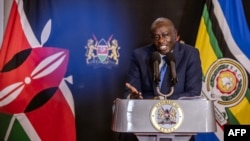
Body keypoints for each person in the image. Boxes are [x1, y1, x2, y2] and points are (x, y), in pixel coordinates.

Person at [119, 17, 202, 141]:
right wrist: (134, 98)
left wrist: (159, 101)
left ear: (175, 34)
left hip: (177, 122)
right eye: (156, 37)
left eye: (165, 35)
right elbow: (130, 92)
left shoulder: (190, 54)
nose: (161, 40)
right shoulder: (139, 55)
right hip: (144, 122)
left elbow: (193, 93)